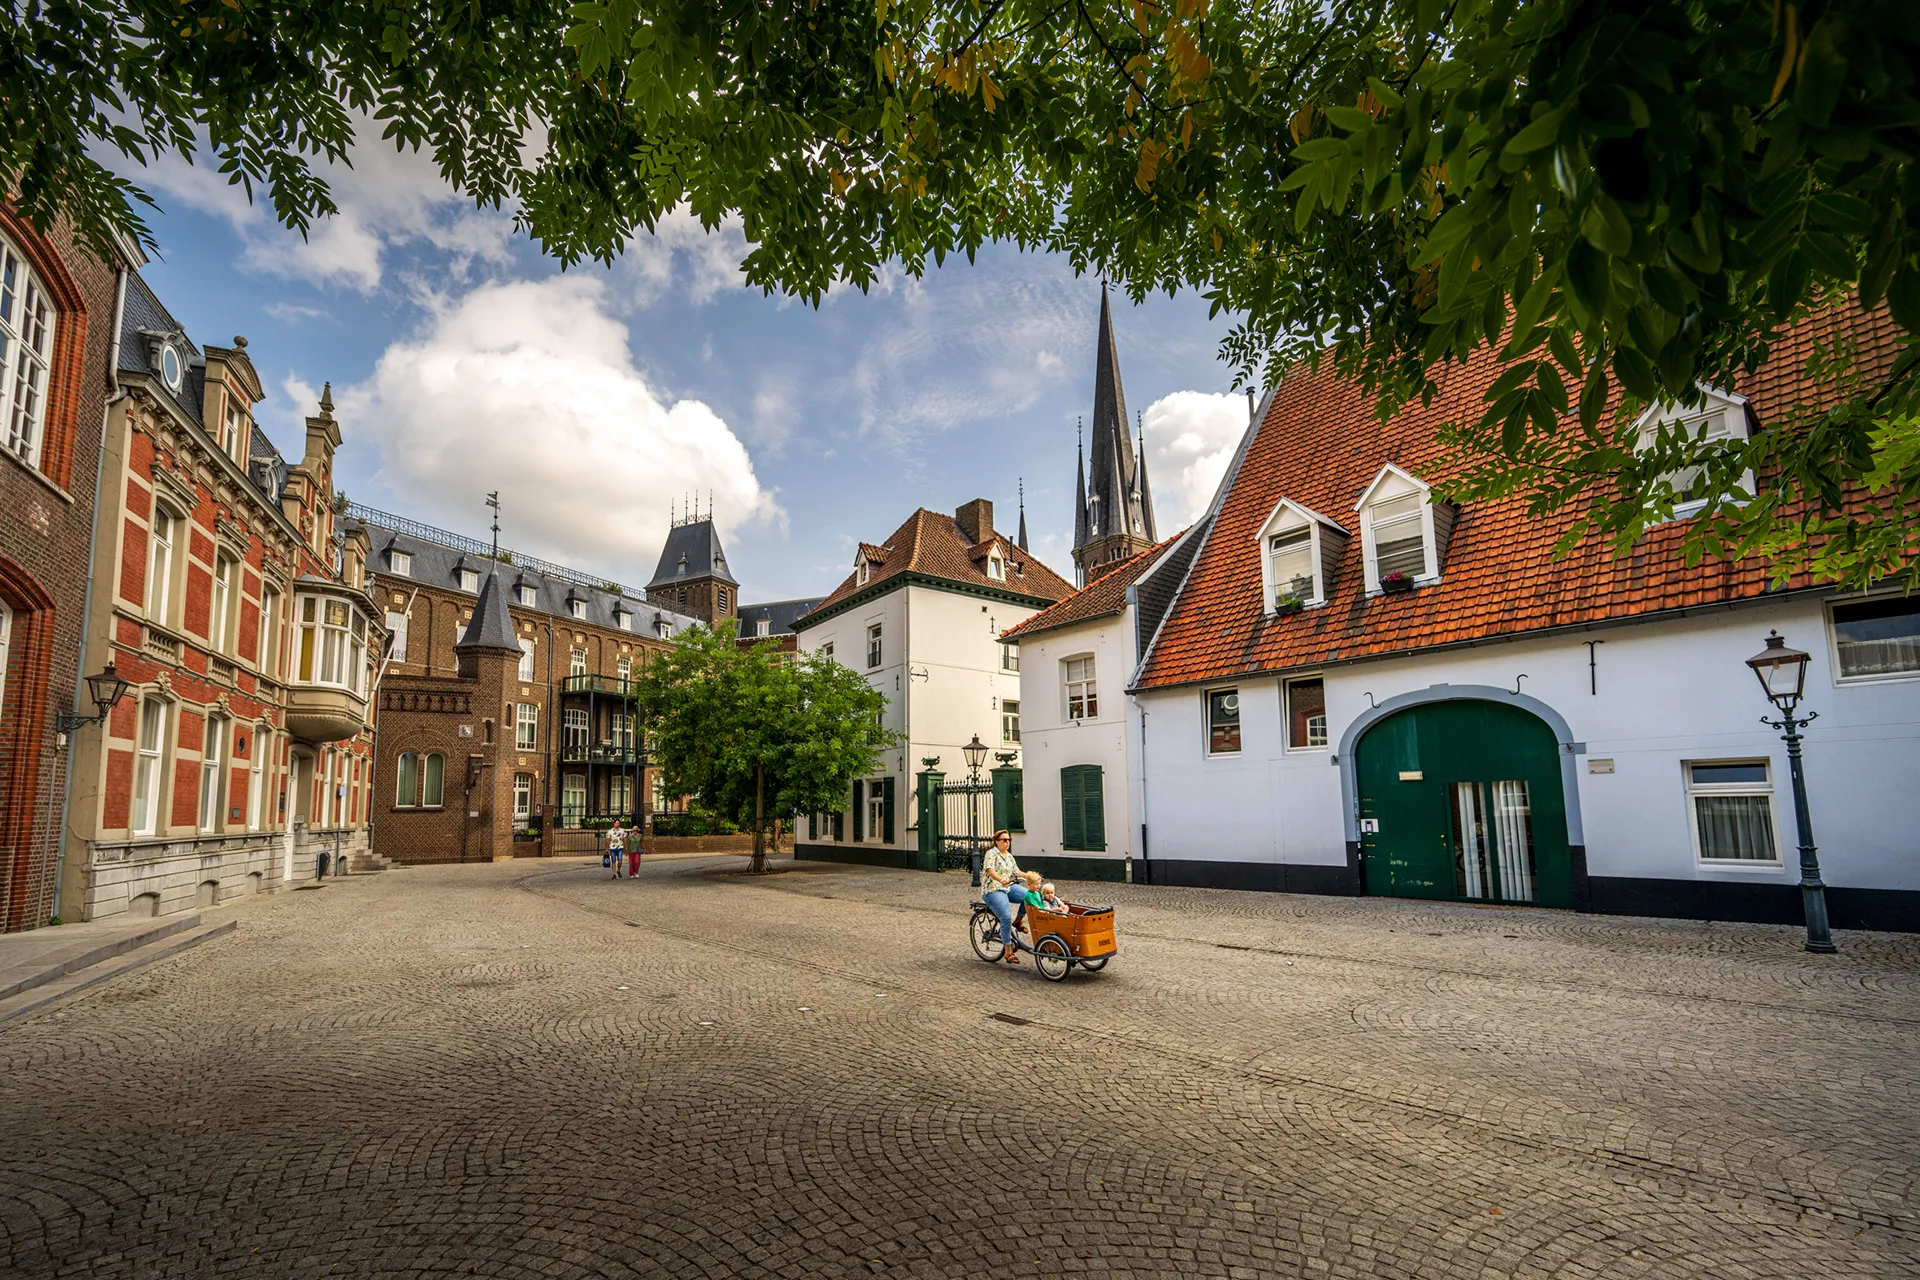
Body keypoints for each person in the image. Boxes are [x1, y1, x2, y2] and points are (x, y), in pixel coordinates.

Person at [979, 830, 1023, 965]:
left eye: (1009, 839)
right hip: (992, 890)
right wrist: (1000, 879)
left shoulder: (1009, 856)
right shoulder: (991, 853)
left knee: (1029, 897)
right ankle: (1008, 951)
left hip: (1007, 888)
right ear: (996, 841)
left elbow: (1017, 872)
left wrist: (1032, 876)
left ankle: (1018, 921)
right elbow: (990, 870)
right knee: (1005, 917)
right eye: (1004, 840)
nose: (1007, 842)